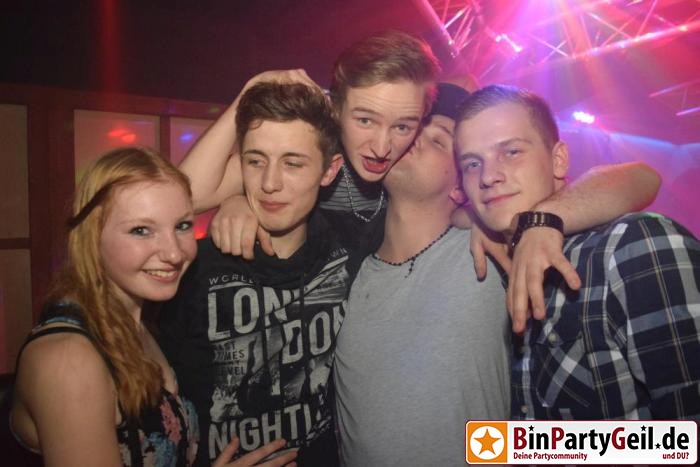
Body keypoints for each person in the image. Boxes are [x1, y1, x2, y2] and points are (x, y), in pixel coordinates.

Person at [179, 30, 660, 327]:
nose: (382, 146)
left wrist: (509, 220)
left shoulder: (418, 182)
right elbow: (189, 196)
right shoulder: (312, 150)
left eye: (404, 127)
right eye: (365, 121)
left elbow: (641, 177)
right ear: (335, 107)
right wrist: (250, 100)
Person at [9, 147, 295, 467]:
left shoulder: (142, 319)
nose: (173, 253)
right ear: (91, 237)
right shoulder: (68, 360)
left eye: (182, 226)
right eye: (141, 230)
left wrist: (236, 200)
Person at [455, 84, 700, 421]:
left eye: (511, 152)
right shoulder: (495, 265)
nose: (488, 177)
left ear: (558, 160)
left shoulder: (631, 247)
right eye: (472, 164)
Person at [158, 82, 347, 467]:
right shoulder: (191, 270)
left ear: (329, 170)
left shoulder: (350, 251)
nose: (269, 183)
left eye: (293, 164)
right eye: (256, 161)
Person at [332, 82, 510, 467]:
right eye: (411, 129)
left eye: (438, 139)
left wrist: (544, 221)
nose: (413, 139)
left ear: (461, 187)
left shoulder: (487, 251)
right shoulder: (347, 268)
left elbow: (636, 181)